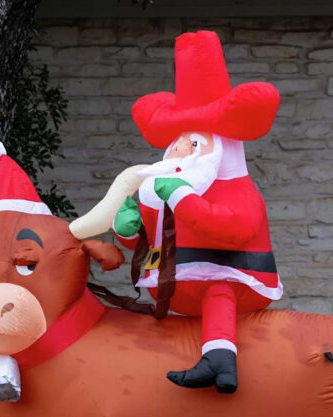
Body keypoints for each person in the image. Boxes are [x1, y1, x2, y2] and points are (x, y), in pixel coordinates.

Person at [112, 30, 283, 394]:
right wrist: (127, 226)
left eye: (193, 144)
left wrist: (183, 198)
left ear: (219, 149)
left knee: (219, 288)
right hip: (172, 286)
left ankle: (220, 358)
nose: (179, 153)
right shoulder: (161, 186)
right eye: (177, 143)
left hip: (233, 281)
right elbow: (142, 238)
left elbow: (235, 228)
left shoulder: (237, 188)